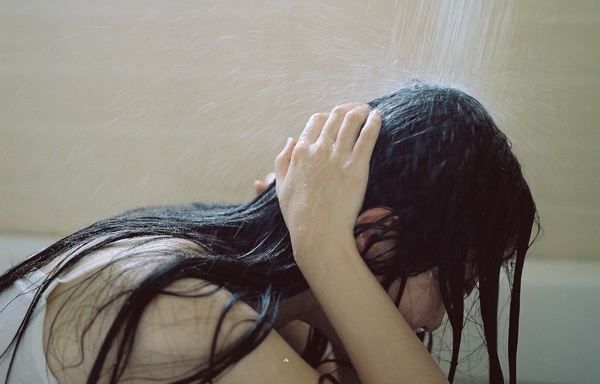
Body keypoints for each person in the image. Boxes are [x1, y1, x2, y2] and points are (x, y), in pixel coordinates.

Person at [0, 80, 538, 384]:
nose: (439, 318)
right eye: (453, 287)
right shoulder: (185, 308)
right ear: (375, 236)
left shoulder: (280, 318)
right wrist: (325, 248)